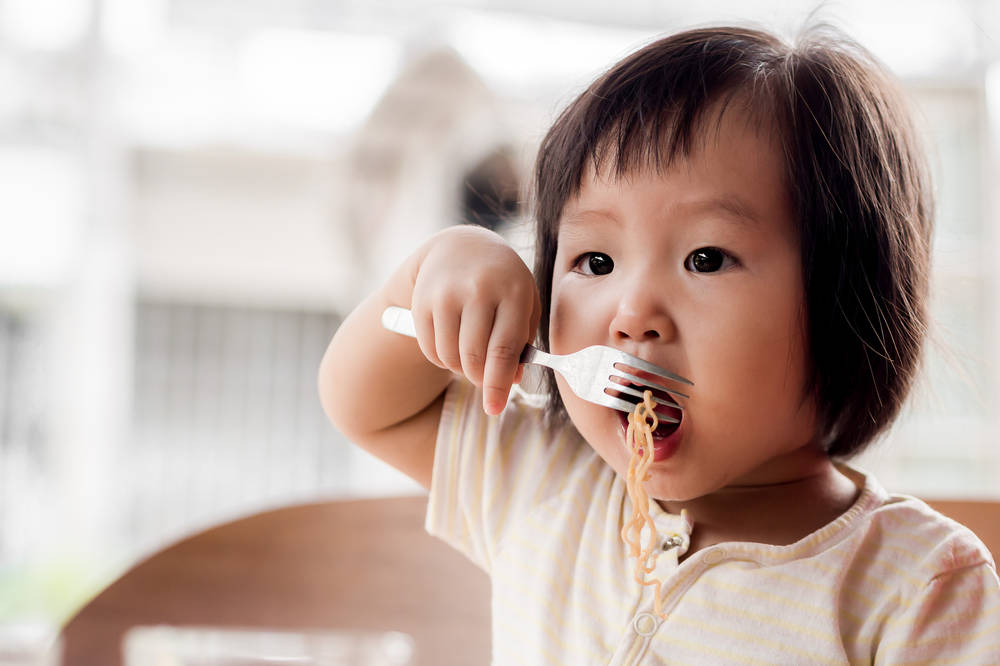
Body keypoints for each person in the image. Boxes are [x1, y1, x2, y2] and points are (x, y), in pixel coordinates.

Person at [319, 24, 1000, 663]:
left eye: (705, 259)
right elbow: (366, 406)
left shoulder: (915, 584)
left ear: (846, 298)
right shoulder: (543, 478)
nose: (632, 311)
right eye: (595, 262)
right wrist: (436, 267)